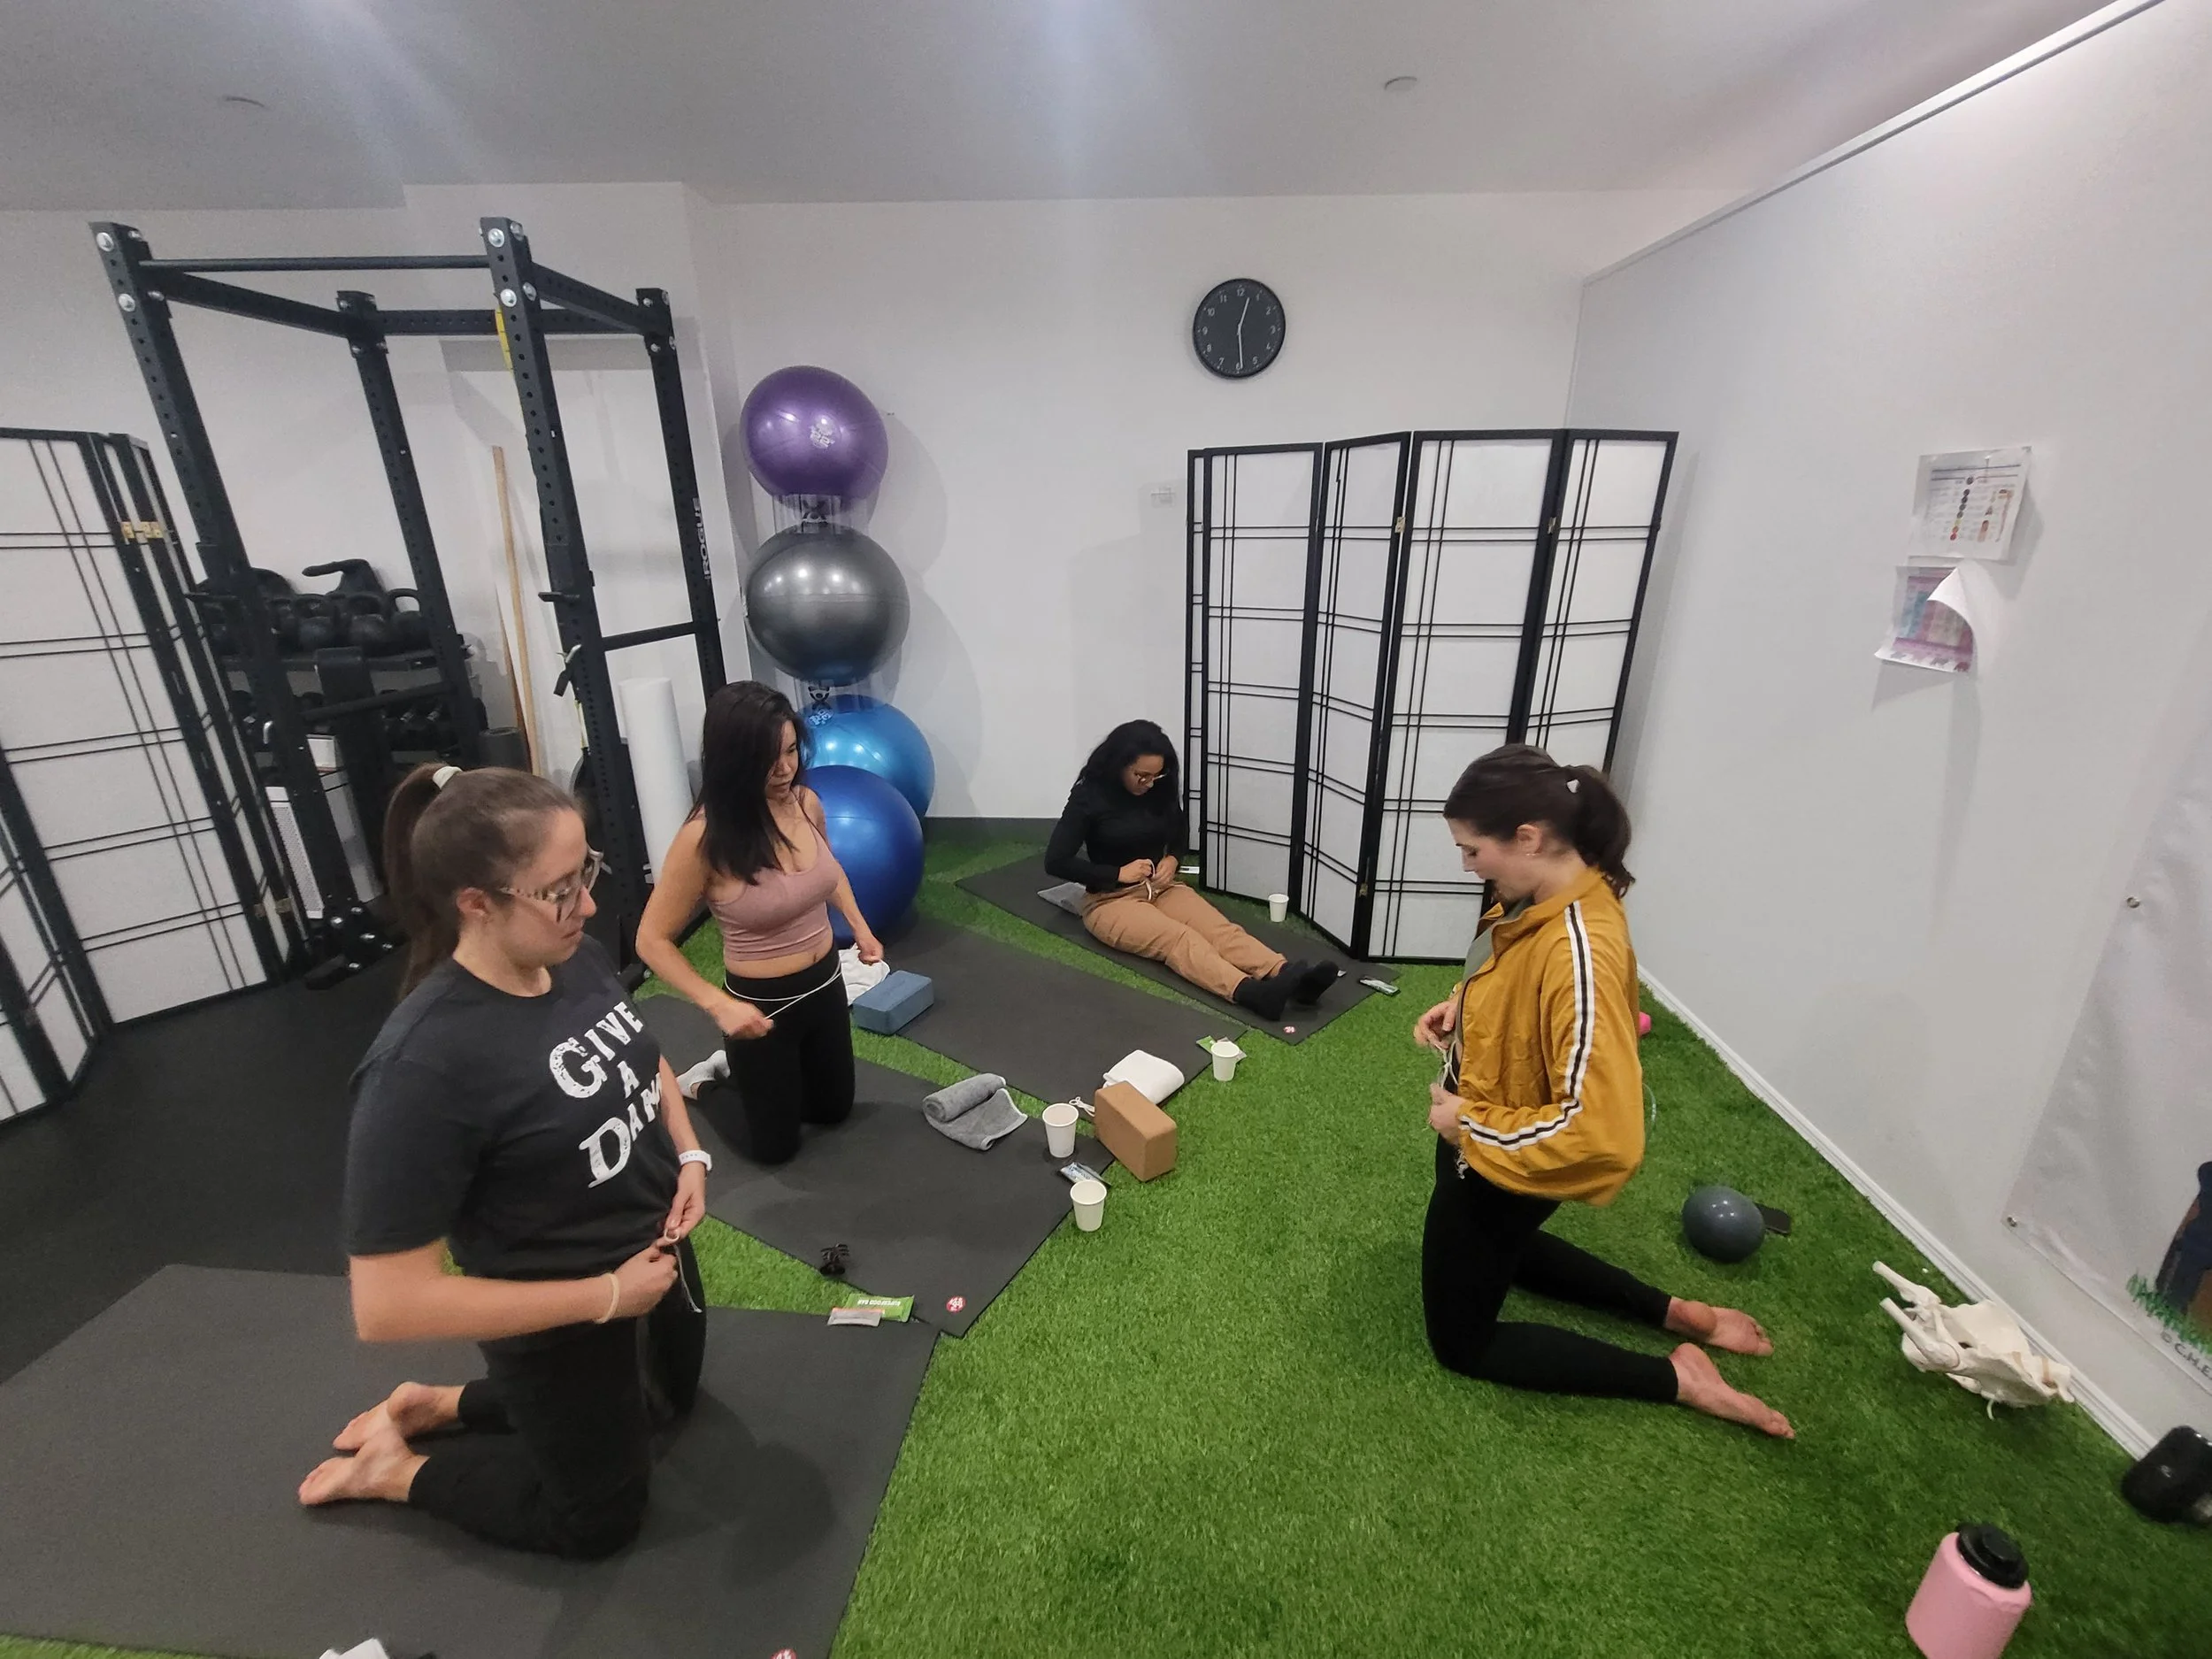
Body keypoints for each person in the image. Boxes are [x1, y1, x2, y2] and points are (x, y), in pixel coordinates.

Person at [299, 764, 712, 1557]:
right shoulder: (421, 1069)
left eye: (585, 871)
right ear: (476, 903)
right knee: (599, 1522)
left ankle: (439, 1404)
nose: (588, 905)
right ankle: (395, 1468)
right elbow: (387, 1305)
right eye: (561, 888)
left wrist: (689, 1153)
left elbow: (642, 1055)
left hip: (652, 1256)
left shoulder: (575, 955)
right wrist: (605, 1295)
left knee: (672, 1402)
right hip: (564, 1309)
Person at [1413, 744, 1792, 1438]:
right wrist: (1462, 1003)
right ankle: (1676, 1312)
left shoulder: (1581, 946)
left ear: (1526, 837)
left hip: (1499, 1155)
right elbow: (1513, 981)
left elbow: (1601, 1133)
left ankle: (1680, 1377)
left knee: (1463, 1341)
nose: (1467, 865)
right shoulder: (1542, 894)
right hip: (1490, 1141)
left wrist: (1469, 1122)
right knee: (1499, 1248)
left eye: (1471, 849)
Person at [637, 681, 881, 1165]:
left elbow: (828, 873)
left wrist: (861, 927)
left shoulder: (805, 803)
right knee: (776, 1149)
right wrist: (716, 1004)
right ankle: (706, 1083)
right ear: (735, 760)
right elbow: (651, 939)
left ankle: (754, 1078)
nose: (785, 768)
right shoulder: (705, 839)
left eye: (791, 750)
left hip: (826, 983)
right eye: (769, 759)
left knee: (834, 1111)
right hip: (760, 1011)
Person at [1046, 719, 1337, 1021]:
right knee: (1180, 938)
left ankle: (1290, 976)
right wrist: (1118, 874)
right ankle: (1252, 993)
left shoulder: (1157, 789)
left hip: (1161, 888)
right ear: (1118, 765)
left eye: (1155, 776)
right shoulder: (1089, 796)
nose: (1148, 783)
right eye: (1140, 776)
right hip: (1110, 901)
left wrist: (1172, 858)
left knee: (1218, 930)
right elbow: (1055, 861)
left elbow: (1178, 826)